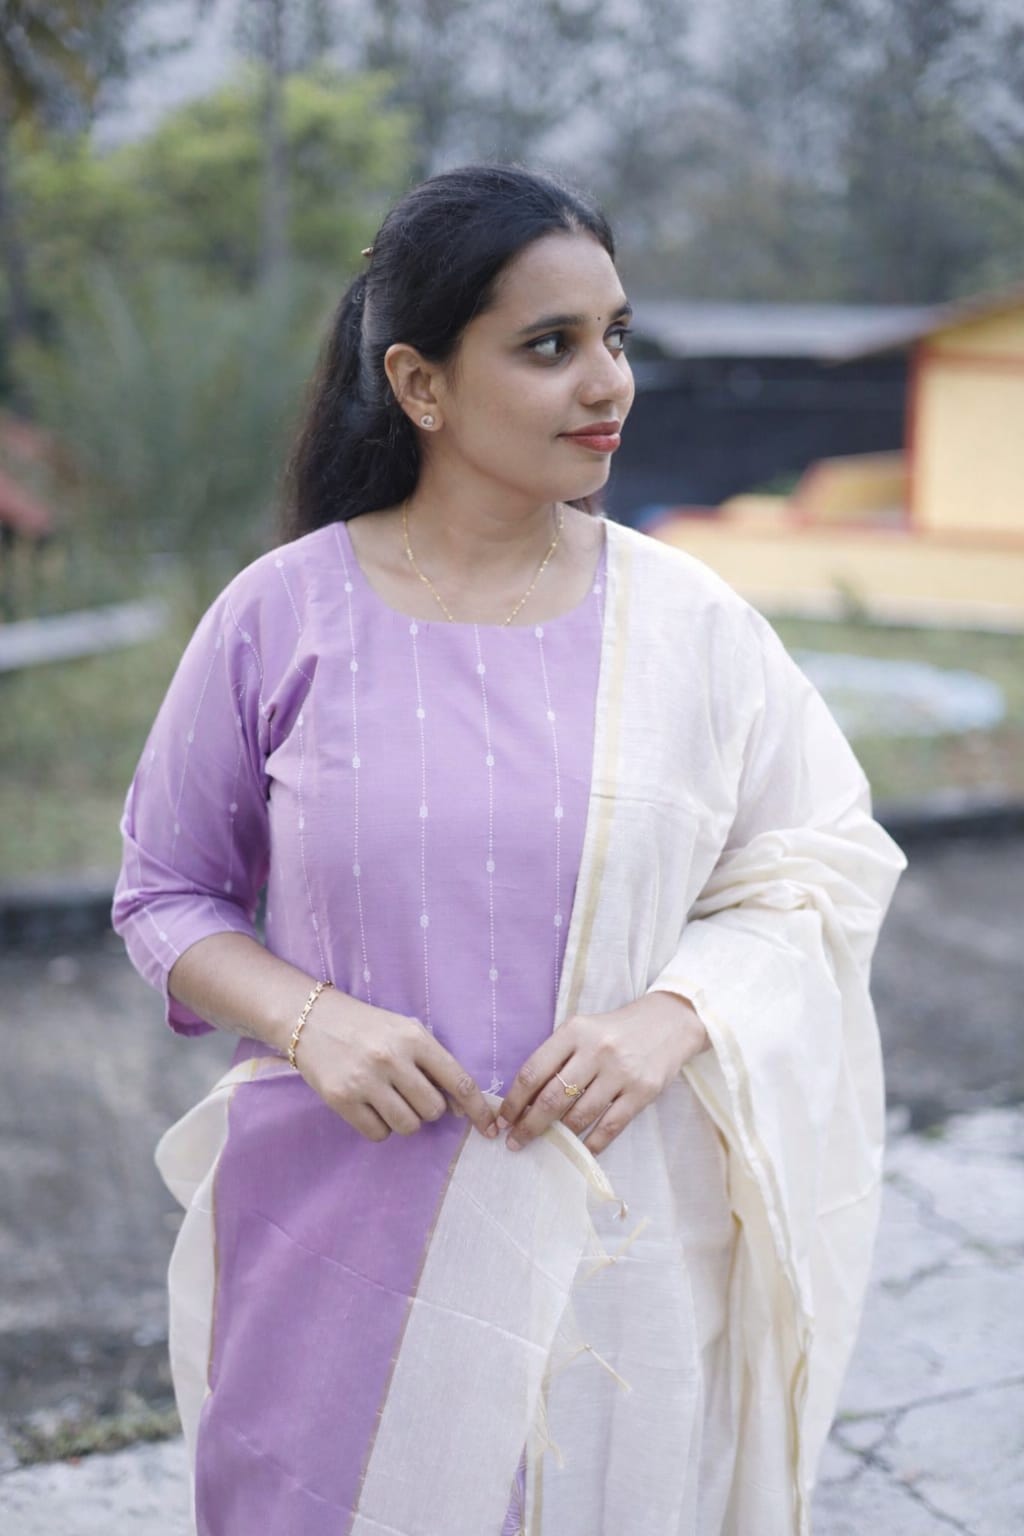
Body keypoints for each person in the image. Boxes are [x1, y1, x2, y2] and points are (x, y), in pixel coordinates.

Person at [112, 162, 907, 1536]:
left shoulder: (690, 627)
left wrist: (676, 1012)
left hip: (622, 1252)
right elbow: (165, 894)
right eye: (551, 346)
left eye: (617, 337)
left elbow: (822, 861)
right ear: (420, 384)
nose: (609, 384)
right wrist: (312, 1021)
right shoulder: (280, 618)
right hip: (338, 1244)